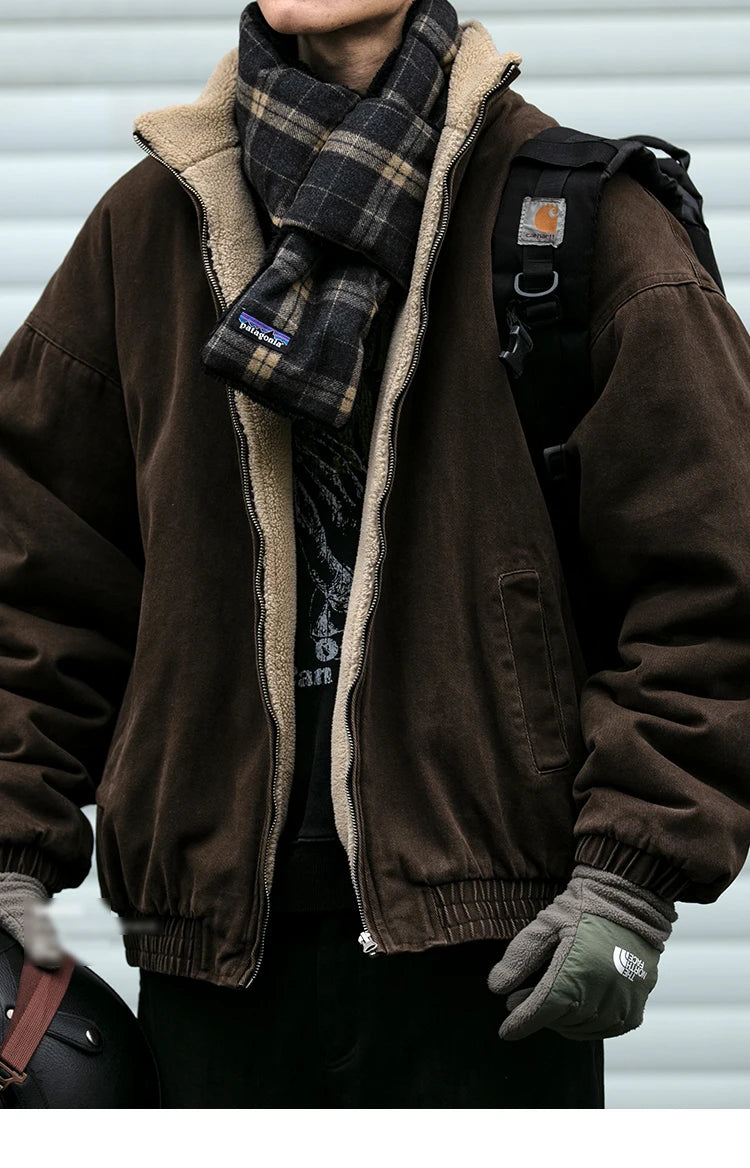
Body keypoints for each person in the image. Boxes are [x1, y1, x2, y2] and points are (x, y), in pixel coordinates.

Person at [1, 0, 750, 1109]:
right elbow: (36, 576)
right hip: (211, 971)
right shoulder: (145, 231)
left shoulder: (578, 221)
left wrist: (631, 876)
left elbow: (715, 579)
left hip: (495, 973)